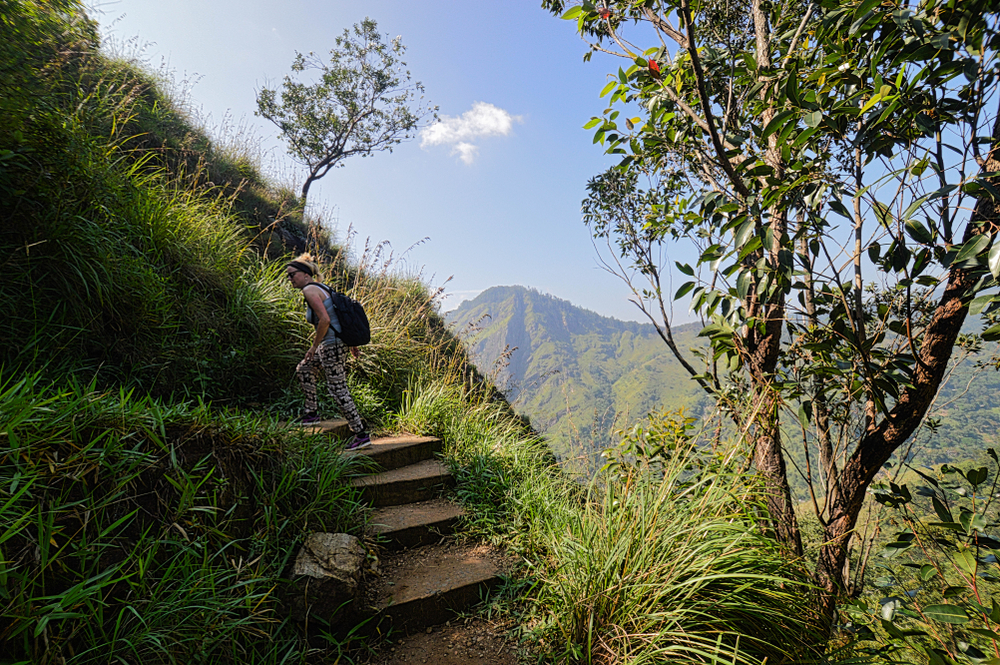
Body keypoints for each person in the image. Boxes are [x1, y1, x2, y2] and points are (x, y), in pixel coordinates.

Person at [285, 253, 371, 450]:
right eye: (288, 276)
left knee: (337, 389)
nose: (290, 279)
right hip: (337, 344)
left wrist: (314, 346)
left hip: (330, 346)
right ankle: (311, 413)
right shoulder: (324, 288)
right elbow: (340, 317)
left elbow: (325, 320)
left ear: (306, 274)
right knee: (304, 368)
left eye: (292, 275)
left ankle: (360, 434)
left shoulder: (309, 290)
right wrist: (351, 344)